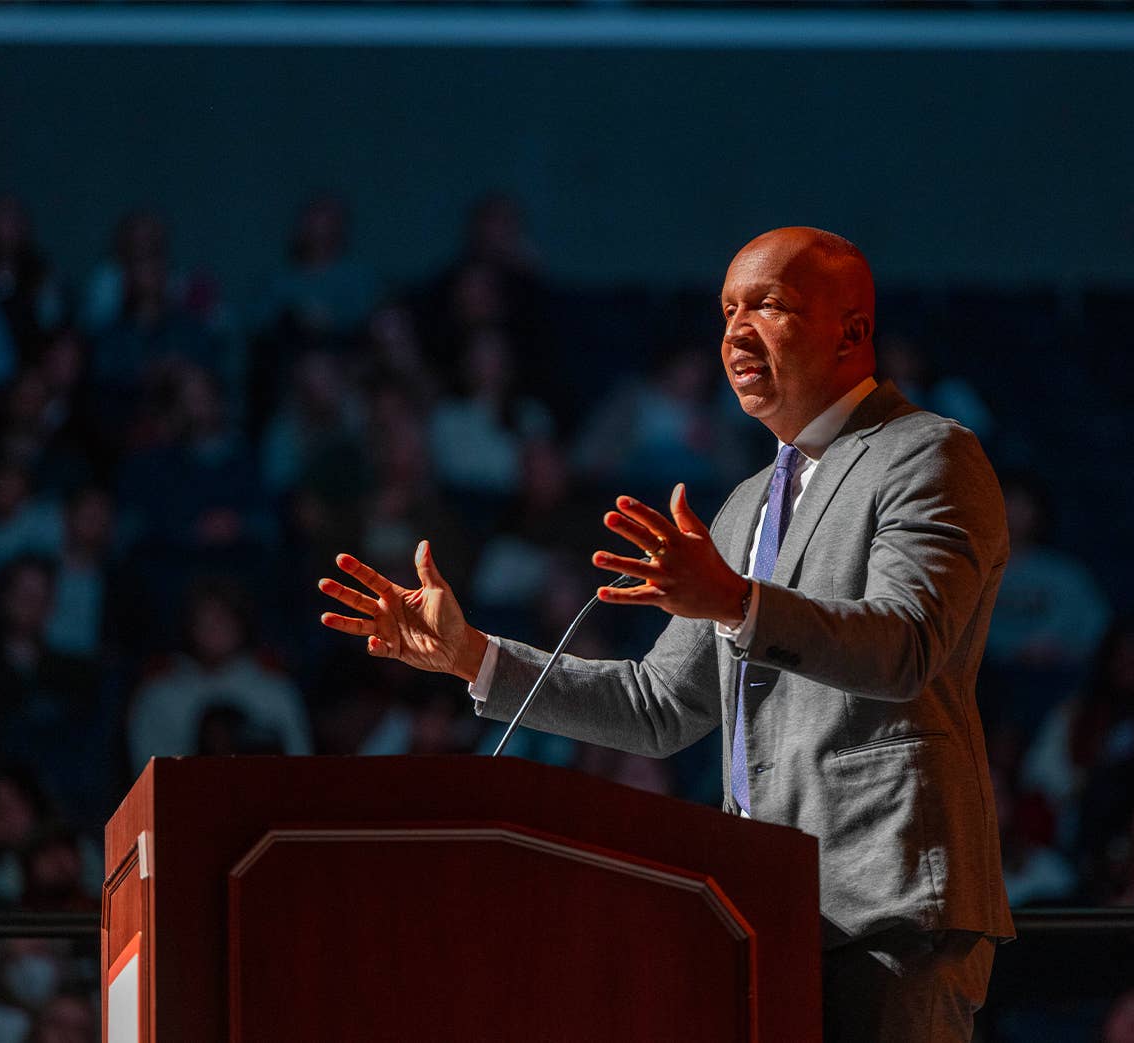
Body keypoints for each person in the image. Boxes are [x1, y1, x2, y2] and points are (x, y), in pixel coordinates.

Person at [319, 227, 1012, 1041]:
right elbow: (658, 707)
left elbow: (906, 646)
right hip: (764, 914)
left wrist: (738, 602)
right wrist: (475, 656)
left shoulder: (926, 454)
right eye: (726, 313)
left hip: (889, 903)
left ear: (851, 332)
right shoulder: (746, 503)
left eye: (769, 306)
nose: (736, 334)